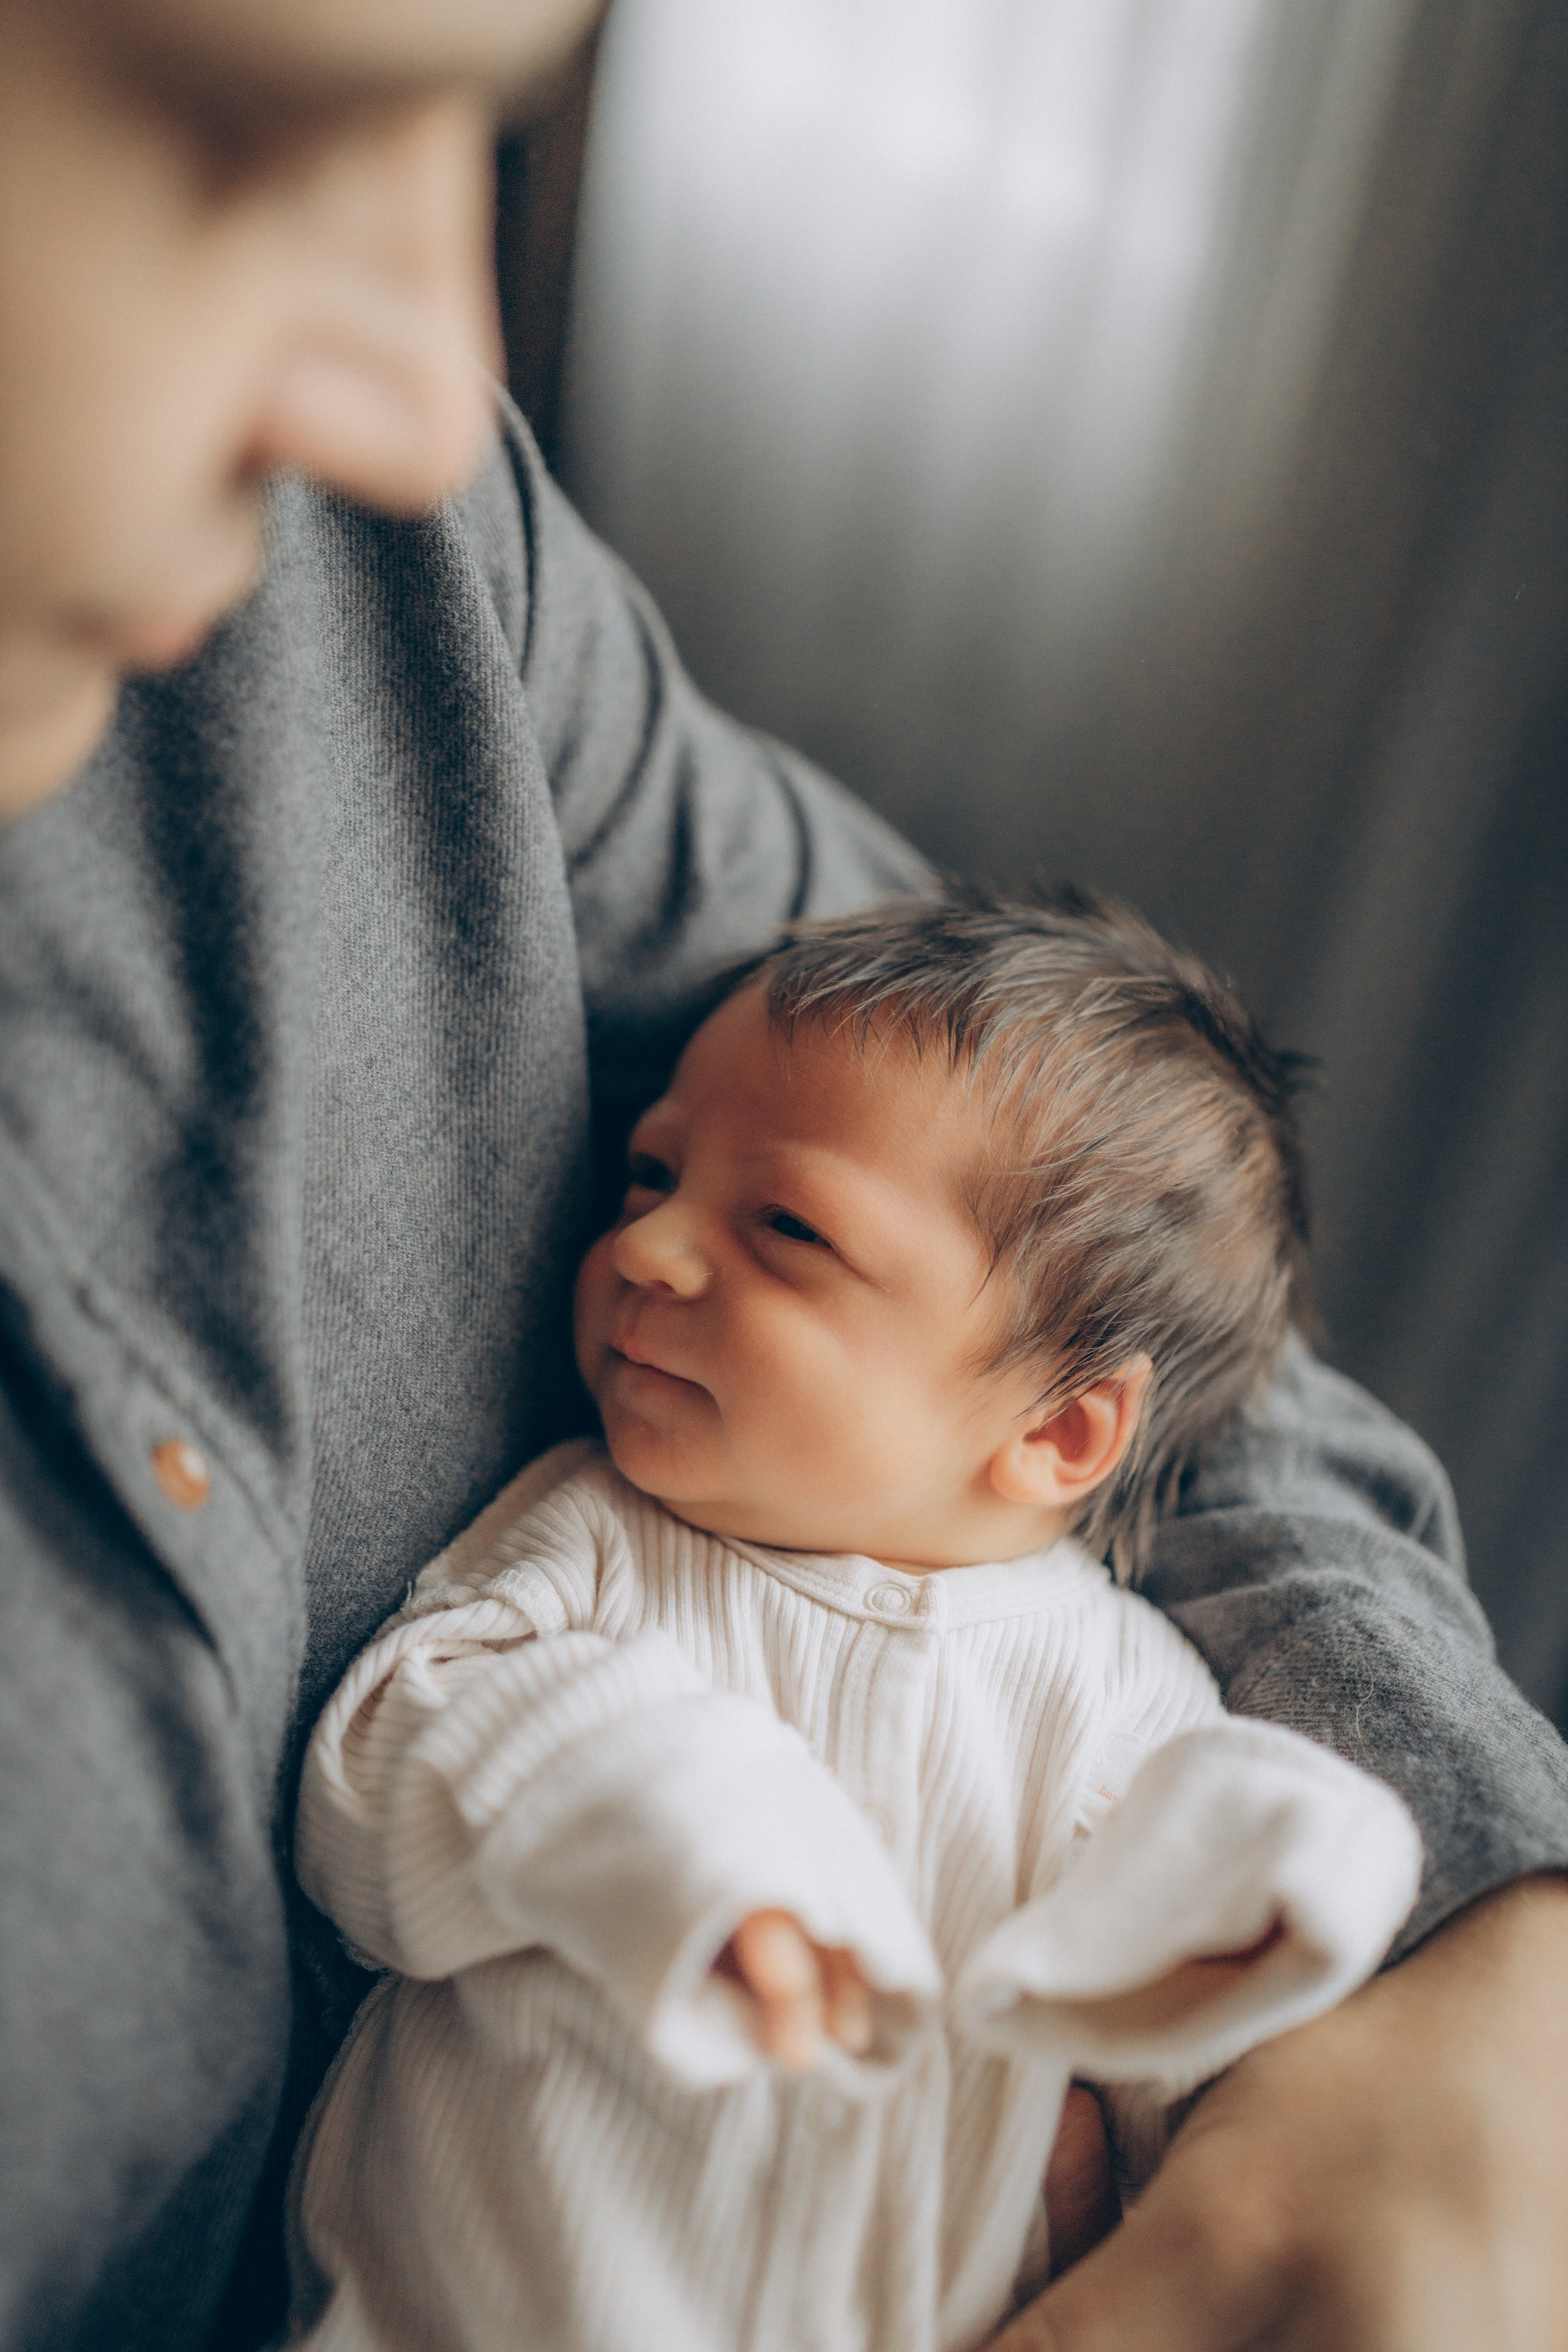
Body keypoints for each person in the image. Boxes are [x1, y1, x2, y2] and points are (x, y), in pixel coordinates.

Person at [0, 2, 1566, 2348]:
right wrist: (682, 1846)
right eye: (242, 132)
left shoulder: (407, 585)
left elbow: (1145, 1282)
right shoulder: (592, 1566)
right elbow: (432, 1745)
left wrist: (1459, 1963)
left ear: (1052, 1447)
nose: (450, 401)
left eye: (479, 124)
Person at [284, 891, 1425, 2352]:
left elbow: (1170, 2059)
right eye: (650, 1176)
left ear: (1063, 1432)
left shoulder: (1120, 1698)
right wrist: (661, 1810)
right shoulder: (597, 1541)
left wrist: (1286, 1865)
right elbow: (371, 1783)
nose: (648, 1251)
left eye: (782, 1226)